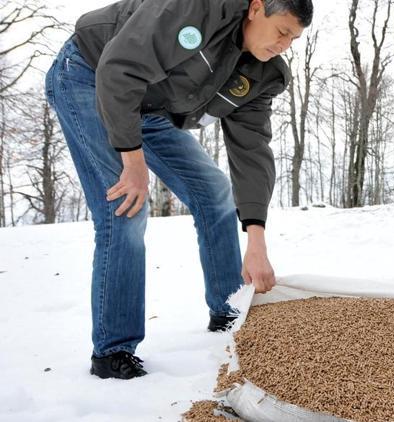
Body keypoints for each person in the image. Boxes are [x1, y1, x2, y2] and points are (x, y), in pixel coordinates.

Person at [45, 0, 313, 380]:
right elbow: (119, 69)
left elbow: (250, 152)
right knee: (126, 206)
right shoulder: (196, 9)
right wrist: (132, 160)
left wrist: (257, 238)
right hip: (91, 75)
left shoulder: (263, 73)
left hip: (149, 106)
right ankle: (113, 350)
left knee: (214, 191)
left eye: (294, 39)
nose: (284, 44)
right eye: (282, 31)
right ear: (255, 9)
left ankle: (228, 308)